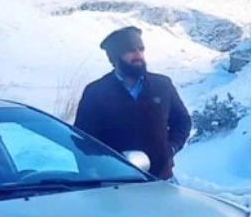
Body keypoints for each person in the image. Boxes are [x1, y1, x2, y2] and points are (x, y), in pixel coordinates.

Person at [73, 26, 191, 180]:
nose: (138, 55)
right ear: (115, 57)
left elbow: (182, 122)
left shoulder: (162, 85)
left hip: (162, 178)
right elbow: (83, 139)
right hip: (115, 183)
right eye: (130, 51)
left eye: (141, 49)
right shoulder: (96, 92)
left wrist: (170, 149)